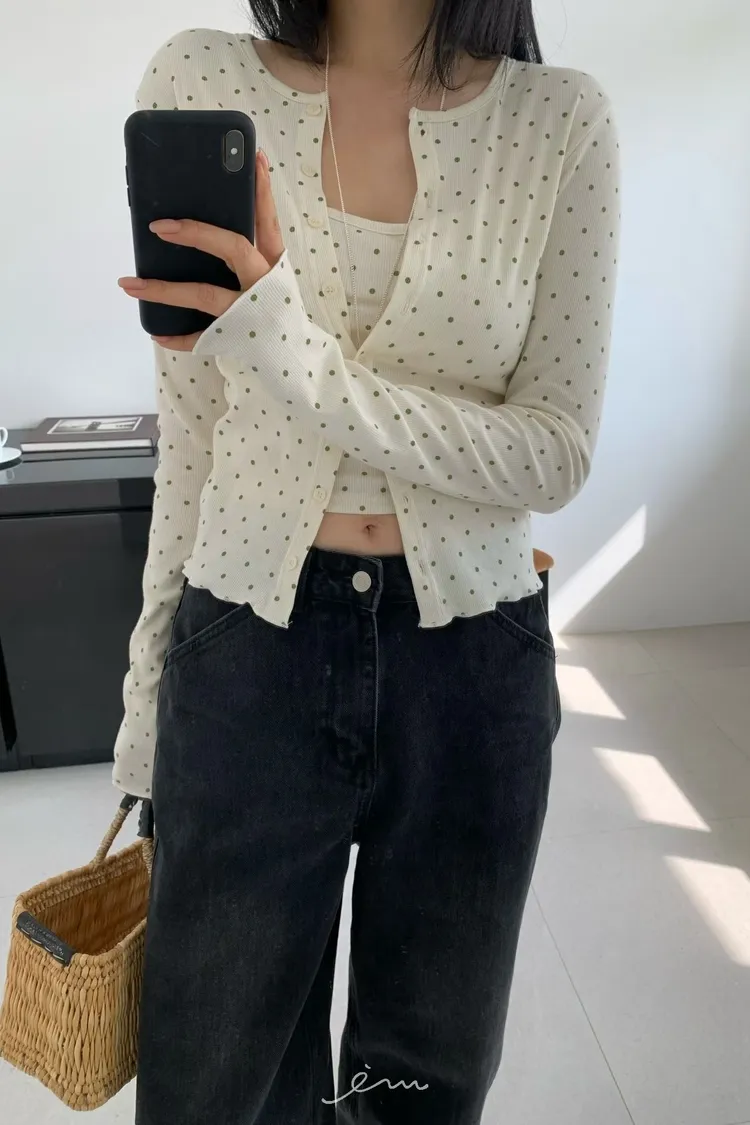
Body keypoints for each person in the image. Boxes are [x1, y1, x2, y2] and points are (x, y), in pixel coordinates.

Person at [115, 1, 621, 1121]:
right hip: (245, 648)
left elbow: (554, 451)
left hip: (471, 664)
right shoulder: (201, 81)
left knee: (421, 1083)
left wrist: (296, 359)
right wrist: (147, 703)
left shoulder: (560, 121)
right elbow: (191, 437)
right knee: (218, 1083)